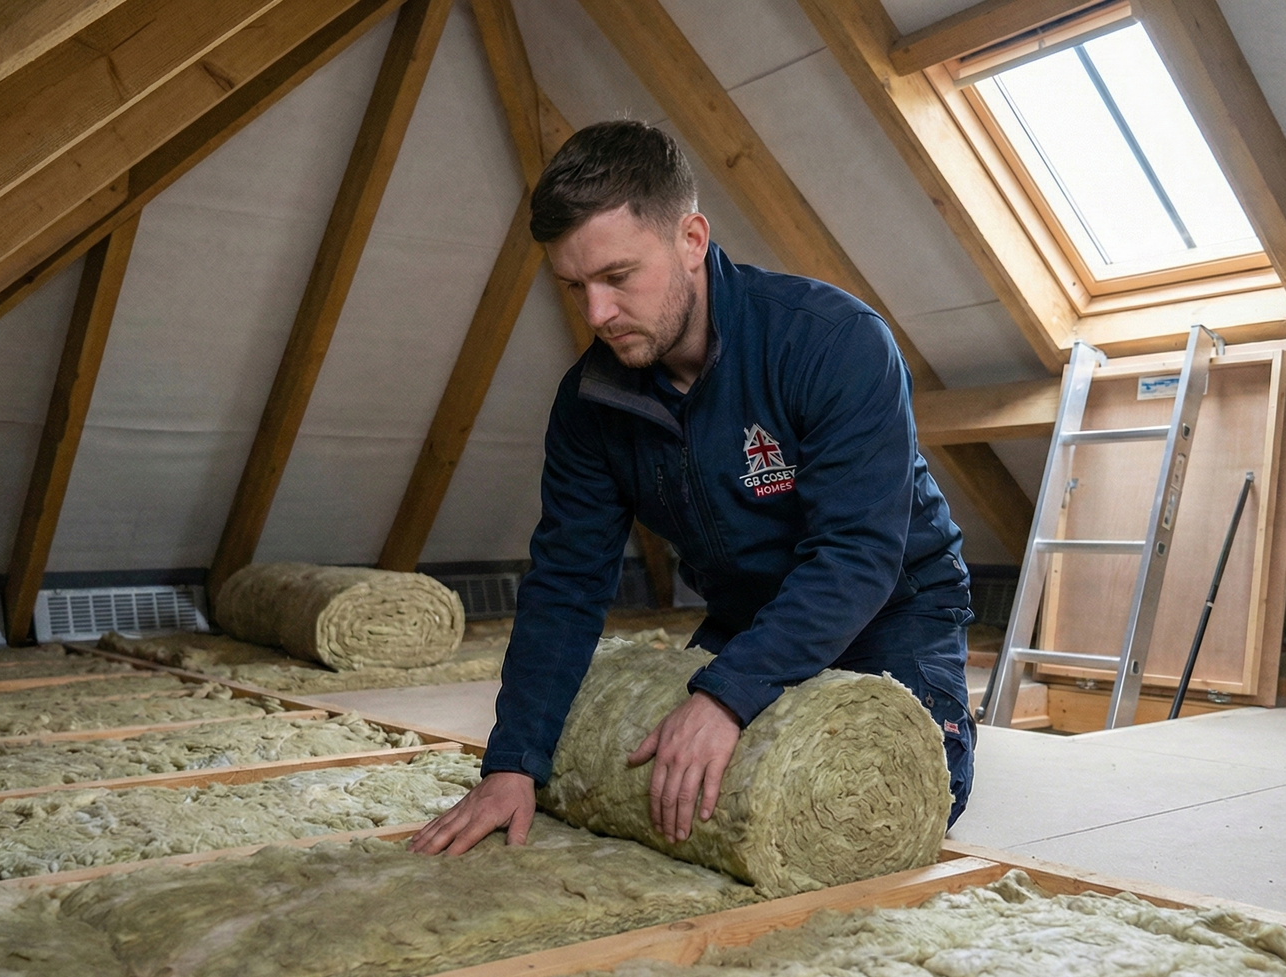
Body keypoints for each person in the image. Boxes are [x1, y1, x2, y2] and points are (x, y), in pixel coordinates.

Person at [409, 120, 974, 857]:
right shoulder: (589, 403)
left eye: (617, 277)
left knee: (900, 797)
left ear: (691, 239)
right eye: (575, 286)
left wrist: (726, 694)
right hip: (747, 616)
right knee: (670, 787)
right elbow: (567, 583)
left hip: (893, 608)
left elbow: (858, 554)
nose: (596, 315)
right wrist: (512, 760)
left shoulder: (832, 341)